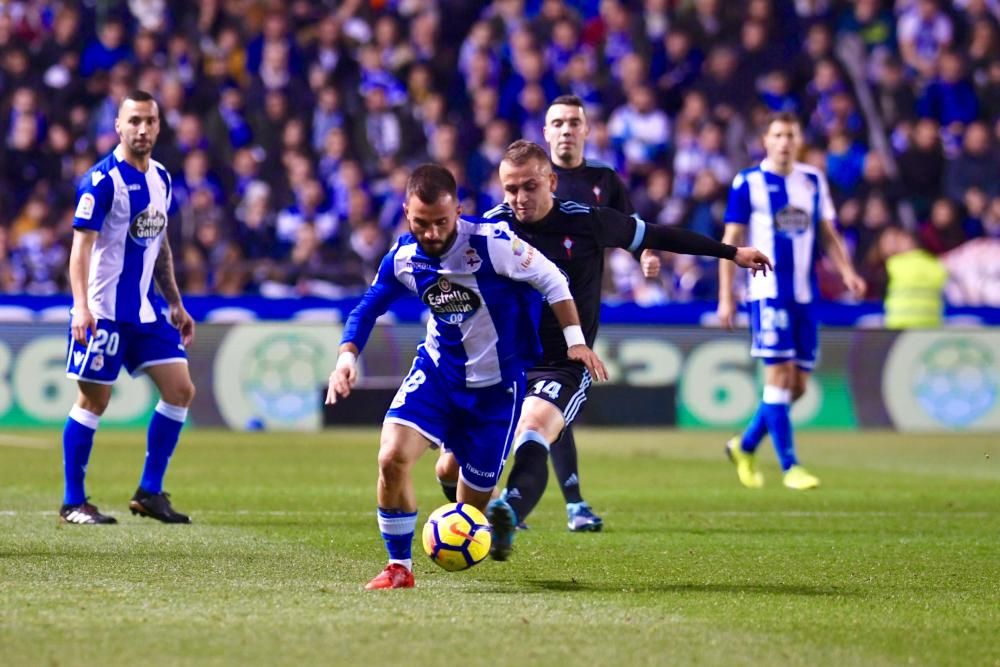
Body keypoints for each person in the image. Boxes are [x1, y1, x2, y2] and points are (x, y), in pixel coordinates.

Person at [476, 140, 772, 560]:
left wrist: (732, 252)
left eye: (530, 186)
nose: (520, 198)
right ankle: (480, 515)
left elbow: (659, 234)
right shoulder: (492, 228)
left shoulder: (587, 221)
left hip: (563, 362)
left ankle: (506, 516)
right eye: (511, 189)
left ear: (551, 182)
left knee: (534, 428)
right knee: (453, 464)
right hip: (505, 361)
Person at [325, 164, 605, 590]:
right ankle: (399, 567)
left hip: (496, 391)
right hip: (438, 375)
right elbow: (368, 307)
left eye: (441, 222)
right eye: (422, 223)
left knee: (468, 511)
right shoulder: (403, 257)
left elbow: (553, 280)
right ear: (406, 213)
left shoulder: (494, 244)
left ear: (458, 210)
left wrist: (576, 341)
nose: (432, 233)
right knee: (391, 458)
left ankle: (483, 514)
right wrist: (347, 358)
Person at [62, 90, 196, 525]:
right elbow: (80, 249)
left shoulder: (162, 179)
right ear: (118, 126)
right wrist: (81, 307)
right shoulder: (102, 181)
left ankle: (149, 492)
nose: (142, 129)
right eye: (134, 121)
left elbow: (160, 245)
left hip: (145, 311)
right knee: (93, 401)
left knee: (180, 390)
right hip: (103, 311)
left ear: (159, 126)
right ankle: (73, 502)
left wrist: (175, 302)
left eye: (150, 121)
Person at [718, 112, 866, 491]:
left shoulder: (812, 180)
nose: (784, 142)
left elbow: (827, 233)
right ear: (765, 141)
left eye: (791, 135)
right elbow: (731, 241)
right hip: (767, 291)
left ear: (799, 142)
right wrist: (725, 297)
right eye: (778, 135)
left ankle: (744, 446)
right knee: (780, 377)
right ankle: (791, 466)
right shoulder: (747, 182)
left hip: (805, 293)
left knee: (797, 386)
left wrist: (847, 272)